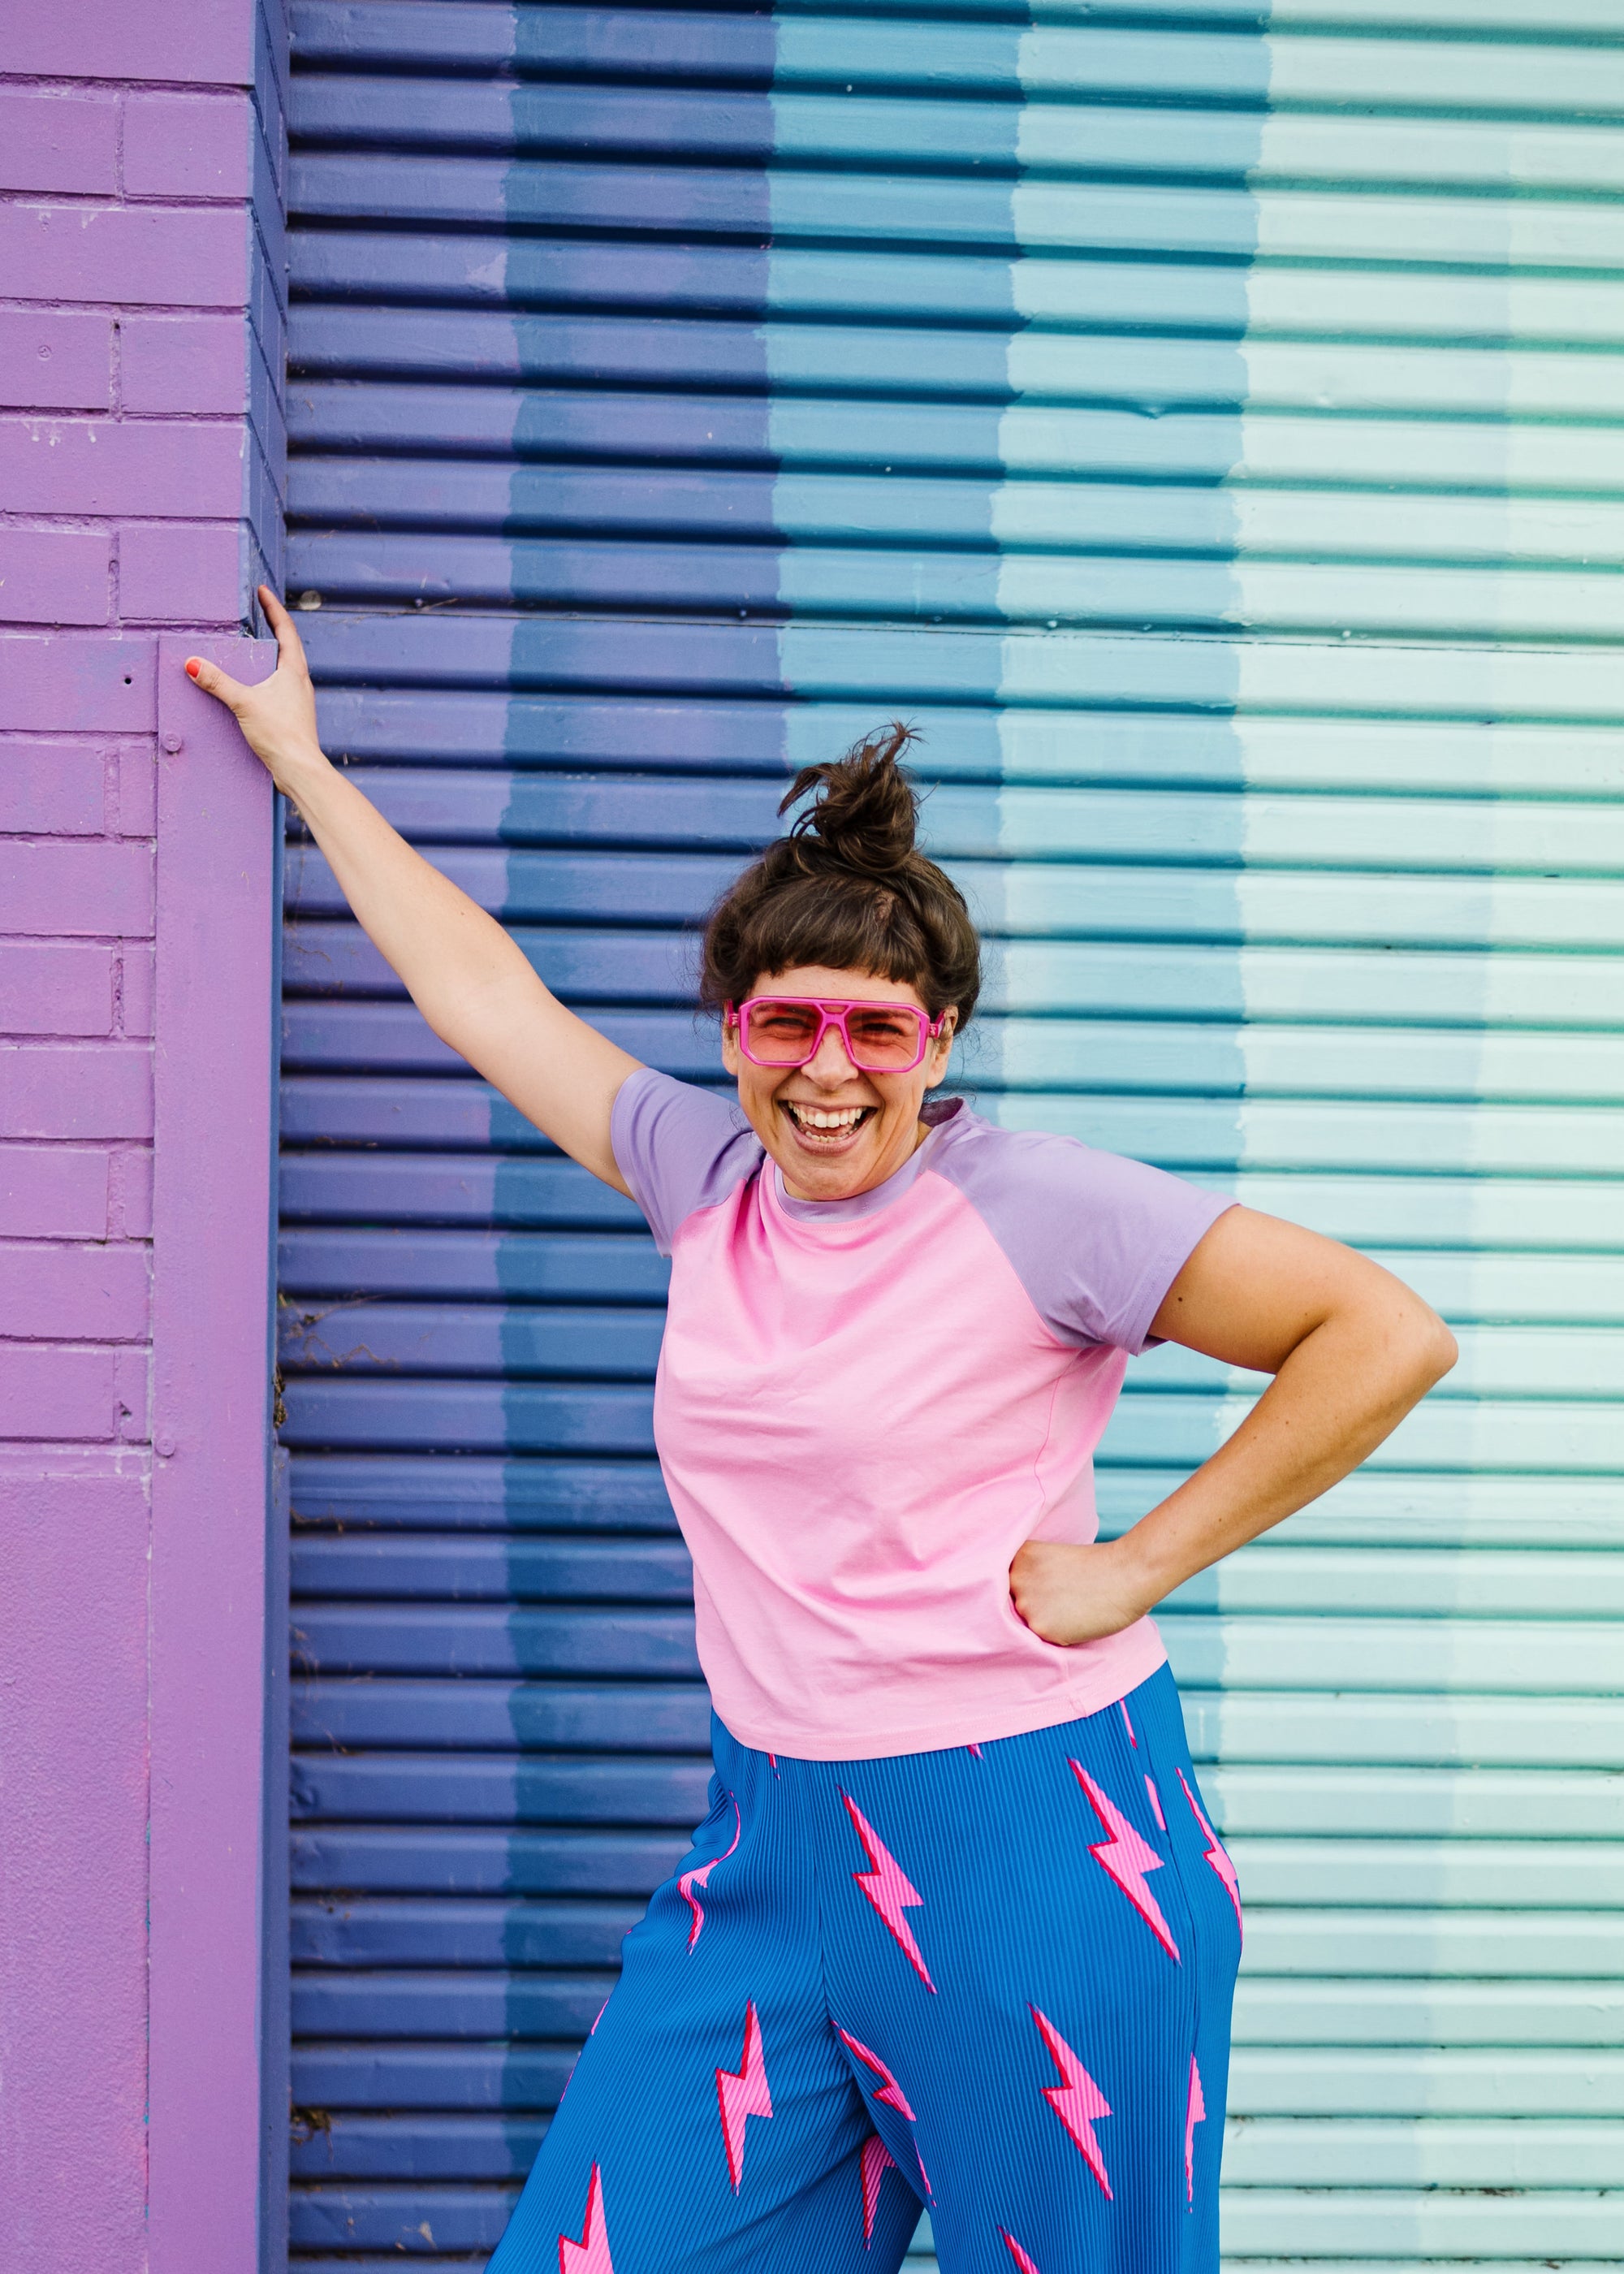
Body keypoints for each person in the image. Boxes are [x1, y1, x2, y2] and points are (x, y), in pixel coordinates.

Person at [191, 590, 1456, 2274]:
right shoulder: (701, 1182)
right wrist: (307, 766)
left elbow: (1380, 1330)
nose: (829, 1068)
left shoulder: (1035, 1204)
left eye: (878, 1026)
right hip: (769, 1845)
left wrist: (1140, 1561)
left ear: (940, 1042)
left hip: (1036, 1845)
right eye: (786, 1020)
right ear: (733, 1032)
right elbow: (487, 1000)